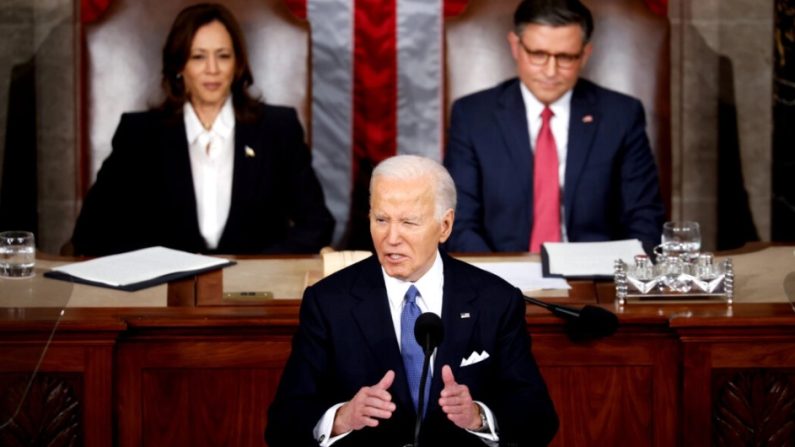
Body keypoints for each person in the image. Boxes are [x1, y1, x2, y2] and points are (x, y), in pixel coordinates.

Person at [266, 155, 558, 446]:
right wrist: (342, 418)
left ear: (445, 226)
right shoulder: (328, 302)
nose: (391, 237)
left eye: (408, 222)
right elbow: (282, 427)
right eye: (381, 220)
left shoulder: (494, 300)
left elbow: (539, 420)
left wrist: (478, 417)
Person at [71, 3, 333, 256]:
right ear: (179, 67)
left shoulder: (278, 128)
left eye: (223, 56)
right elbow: (91, 232)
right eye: (198, 57)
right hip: (164, 292)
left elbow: (317, 224)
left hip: (254, 293)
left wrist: (259, 269)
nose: (212, 69)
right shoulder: (139, 134)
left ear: (237, 64)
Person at [444, 0, 665, 253]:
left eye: (565, 57)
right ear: (515, 46)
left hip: (595, 278)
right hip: (501, 274)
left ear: (585, 54)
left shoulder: (622, 115)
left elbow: (645, 218)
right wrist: (494, 281)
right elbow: (459, 222)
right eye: (538, 55)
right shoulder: (472, 116)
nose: (550, 71)